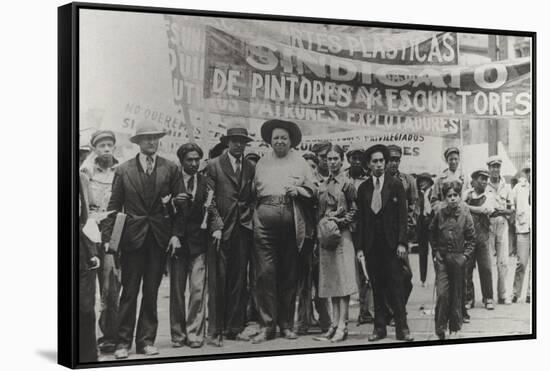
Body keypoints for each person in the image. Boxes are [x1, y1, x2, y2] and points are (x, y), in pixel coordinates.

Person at [102, 121, 180, 359]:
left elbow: (179, 206)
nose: (152, 141)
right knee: (129, 292)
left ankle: (146, 341)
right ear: (137, 142)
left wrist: (176, 234)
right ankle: (123, 343)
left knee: (151, 292)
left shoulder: (170, 168)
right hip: (132, 240)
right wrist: (109, 239)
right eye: (147, 138)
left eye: (155, 137)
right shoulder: (123, 170)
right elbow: (113, 208)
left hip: (158, 238)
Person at [251, 119, 317, 343]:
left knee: (289, 274)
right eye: (276, 138)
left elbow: (314, 190)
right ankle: (267, 326)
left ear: (291, 141)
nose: (279, 141)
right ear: (270, 141)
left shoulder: (300, 162)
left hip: (291, 222)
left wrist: (299, 189)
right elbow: (253, 193)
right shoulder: (261, 163)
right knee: (265, 274)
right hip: (264, 222)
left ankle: (287, 325)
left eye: (283, 138)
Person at [356, 144, 413, 342]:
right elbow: (361, 220)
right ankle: (379, 329)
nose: (379, 165)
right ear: (369, 165)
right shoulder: (363, 189)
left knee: (396, 287)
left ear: (386, 162)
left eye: (381, 161)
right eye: (375, 161)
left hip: (392, 247)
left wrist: (402, 244)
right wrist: (360, 248)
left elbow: (403, 217)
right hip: (372, 246)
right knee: (377, 287)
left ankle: (402, 329)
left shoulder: (396, 184)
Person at [205, 125, 256, 345]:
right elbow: (209, 200)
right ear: (227, 142)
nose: (238, 145)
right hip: (220, 230)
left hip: (243, 229)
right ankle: (216, 329)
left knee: (238, 279)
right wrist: (216, 224)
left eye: (242, 141)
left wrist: (250, 217)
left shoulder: (251, 167)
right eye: (234, 140)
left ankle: (235, 326)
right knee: (218, 279)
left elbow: (254, 197)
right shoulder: (213, 165)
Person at [169, 143, 223, 348]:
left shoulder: (205, 181)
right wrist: (173, 204)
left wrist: (217, 226)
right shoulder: (172, 181)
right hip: (177, 243)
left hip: (199, 243)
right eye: (189, 160)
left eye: (196, 160)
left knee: (198, 290)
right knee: (176, 290)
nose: (193, 163)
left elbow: (213, 207)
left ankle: (194, 333)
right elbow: (162, 209)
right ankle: (177, 335)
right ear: (181, 161)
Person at [80, 130, 121, 354]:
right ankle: (85, 340)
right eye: (102, 145)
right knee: (86, 292)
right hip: (88, 234)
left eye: (109, 144)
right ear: (95, 148)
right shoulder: (84, 171)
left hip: (110, 232)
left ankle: (109, 337)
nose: (106, 148)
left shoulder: (121, 171)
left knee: (110, 287)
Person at [313, 145, 358, 342]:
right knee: (331, 281)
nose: (331, 162)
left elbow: (355, 211)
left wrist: (339, 221)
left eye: (335, 158)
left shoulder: (347, 184)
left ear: (342, 160)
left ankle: (343, 325)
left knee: (343, 281)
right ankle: (333, 324)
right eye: (328, 159)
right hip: (326, 237)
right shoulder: (322, 185)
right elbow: (319, 212)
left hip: (342, 236)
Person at [429, 181, 475, 340]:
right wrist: (435, 253)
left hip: (458, 259)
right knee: (442, 294)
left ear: (460, 196)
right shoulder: (439, 214)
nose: (453, 199)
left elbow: (471, 239)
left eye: (456, 195)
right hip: (442, 259)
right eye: (449, 196)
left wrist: (465, 256)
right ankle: (440, 328)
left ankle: (455, 327)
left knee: (456, 294)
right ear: (444, 198)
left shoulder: (465, 214)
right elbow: (432, 233)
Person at [295, 152, 331, 335]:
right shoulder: (298, 188)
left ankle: (326, 321)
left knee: (321, 283)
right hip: (304, 240)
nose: (310, 169)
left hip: (320, 239)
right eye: (306, 166)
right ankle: (303, 321)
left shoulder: (322, 187)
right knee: (303, 284)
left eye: (313, 166)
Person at [344, 142, 374, 325]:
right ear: (348, 159)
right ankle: (343, 316)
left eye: (359, 158)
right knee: (348, 272)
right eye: (353, 158)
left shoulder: (369, 180)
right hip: (347, 230)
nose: (356, 161)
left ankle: (366, 312)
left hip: (364, 230)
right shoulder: (342, 178)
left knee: (366, 271)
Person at [463, 169, 496, 312]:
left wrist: (467, 207)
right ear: (474, 180)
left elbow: (485, 210)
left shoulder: (489, 195)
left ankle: (488, 298)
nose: (484, 182)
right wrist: (465, 207)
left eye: (486, 179)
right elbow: (460, 209)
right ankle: (468, 299)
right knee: (467, 268)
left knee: (486, 268)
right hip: (468, 237)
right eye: (481, 179)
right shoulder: (467, 194)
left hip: (483, 237)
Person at [79, 172, 101, 362]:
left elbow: (87, 218)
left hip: (81, 250)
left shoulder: (82, 179)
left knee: (86, 307)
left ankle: (87, 357)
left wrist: (92, 251)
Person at [486, 156, 514, 304]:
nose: (495, 169)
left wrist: (501, 210)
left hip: (503, 225)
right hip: (488, 226)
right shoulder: (485, 185)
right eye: (492, 167)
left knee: (503, 262)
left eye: (497, 166)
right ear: (488, 169)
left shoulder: (506, 186)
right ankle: (489, 296)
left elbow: (511, 210)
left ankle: (502, 295)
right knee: (488, 262)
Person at [511, 168, 531, 304]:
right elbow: (510, 202)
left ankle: (531, 293)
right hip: (523, 228)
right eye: (529, 170)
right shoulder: (519, 187)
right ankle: (515, 293)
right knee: (521, 263)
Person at [416, 173, 435, 287]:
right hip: (421, 224)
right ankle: (423, 279)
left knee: (435, 250)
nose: (422, 183)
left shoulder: (433, 192)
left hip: (431, 223)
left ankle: (438, 276)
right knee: (422, 252)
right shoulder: (418, 194)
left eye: (425, 181)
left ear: (429, 182)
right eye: (420, 181)